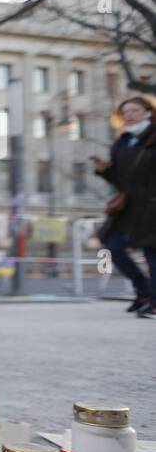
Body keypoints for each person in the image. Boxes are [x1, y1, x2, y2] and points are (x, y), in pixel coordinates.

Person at [93, 95, 156, 319]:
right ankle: (144, 291)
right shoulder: (122, 141)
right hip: (128, 207)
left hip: (151, 206)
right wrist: (104, 171)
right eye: (125, 112)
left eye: (134, 111)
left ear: (148, 112)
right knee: (112, 245)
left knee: (152, 252)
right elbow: (120, 179)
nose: (129, 115)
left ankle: (153, 303)